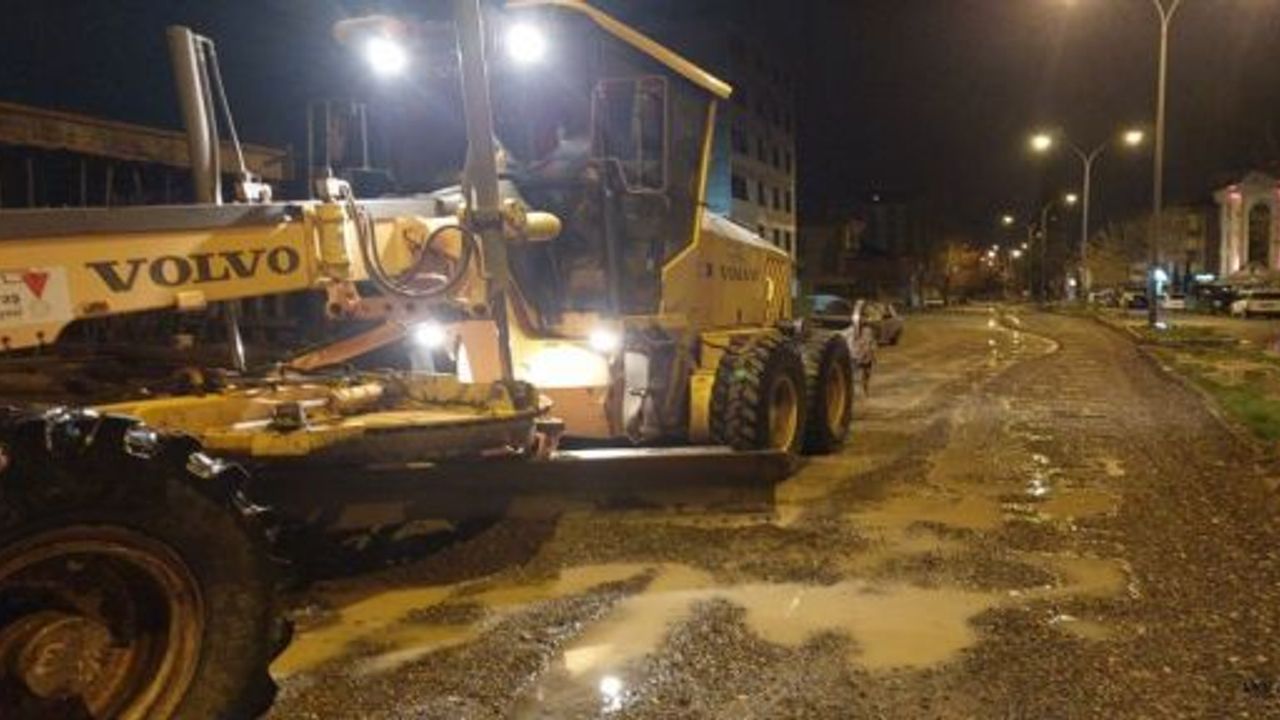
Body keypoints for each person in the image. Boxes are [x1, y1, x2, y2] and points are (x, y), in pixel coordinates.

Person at [851, 299, 876, 396]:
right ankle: (862, 390)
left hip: (864, 353)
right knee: (857, 373)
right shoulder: (856, 324)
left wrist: (872, 354)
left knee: (866, 373)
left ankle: (865, 390)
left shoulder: (868, 329)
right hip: (858, 352)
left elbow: (871, 343)